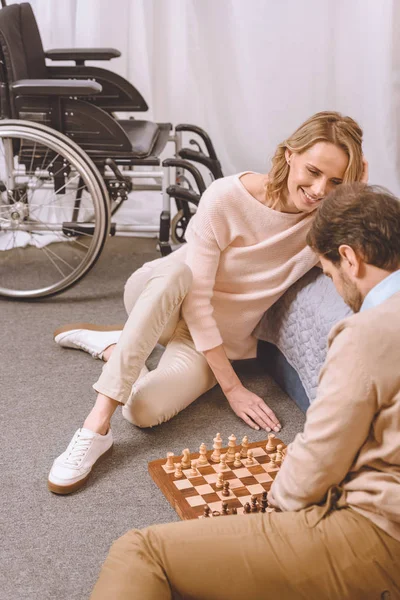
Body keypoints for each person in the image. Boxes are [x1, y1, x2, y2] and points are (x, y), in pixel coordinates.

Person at [90, 183, 400, 600]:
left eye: (329, 274)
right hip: (186, 330)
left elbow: (321, 456)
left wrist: (268, 512)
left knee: (138, 551)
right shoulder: (225, 202)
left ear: (349, 258)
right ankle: (117, 346)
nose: (342, 293)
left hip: (378, 540)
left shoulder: (365, 333)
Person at [48, 111, 366, 495]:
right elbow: (196, 299)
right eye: (313, 171)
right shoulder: (226, 197)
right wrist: (231, 387)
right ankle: (94, 426)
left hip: (206, 338)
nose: (319, 189)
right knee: (181, 276)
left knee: (142, 411)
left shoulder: (322, 225)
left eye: (335, 182)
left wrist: (356, 194)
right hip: (164, 293)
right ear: (289, 156)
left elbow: (359, 265)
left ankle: (118, 347)